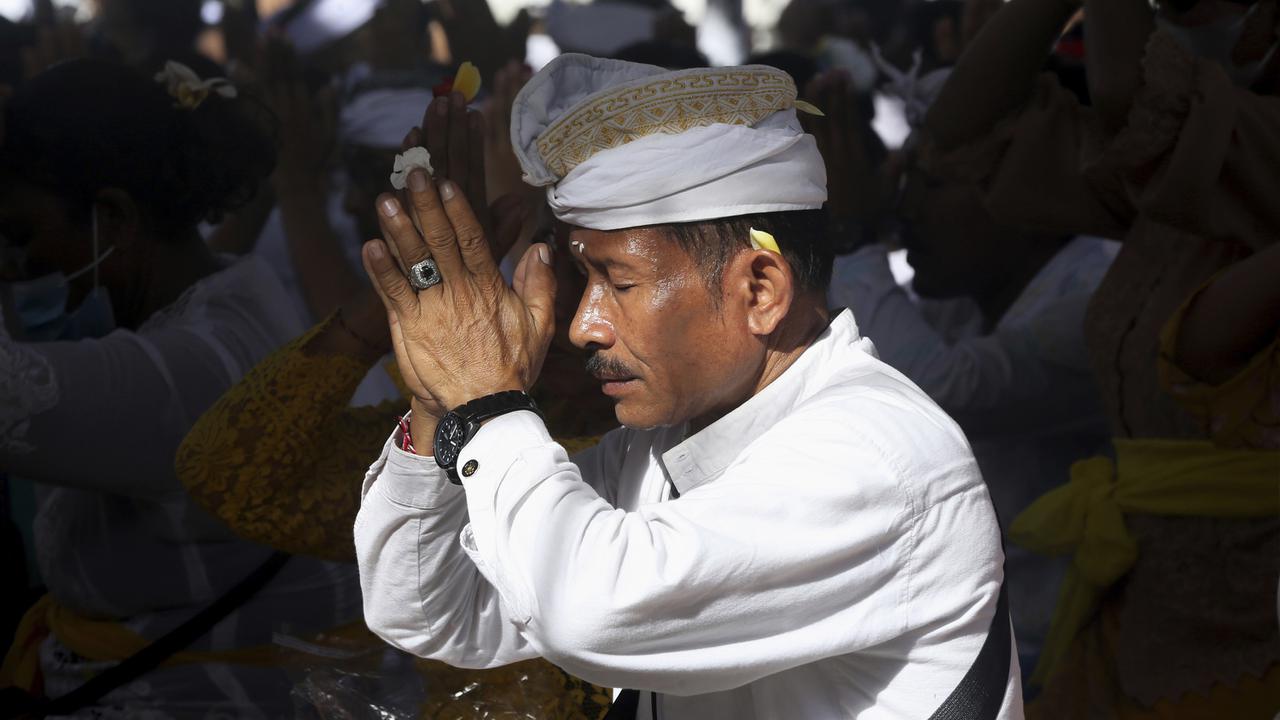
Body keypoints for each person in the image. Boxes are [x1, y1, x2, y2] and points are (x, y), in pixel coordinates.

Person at [353, 53, 1022, 719]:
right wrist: (444, 392)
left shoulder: (876, 454)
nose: (584, 325)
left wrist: (487, 403)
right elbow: (429, 608)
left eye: (618, 283)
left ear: (760, 290)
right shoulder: (666, 448)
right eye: (584, 281)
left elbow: (585, 612)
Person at [921, 0, 1280, 715]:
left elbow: (1141, 113)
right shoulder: (1188, 175)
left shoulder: (1233, 149)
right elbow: (967, 137)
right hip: (1136, 624)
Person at [0, 59, 364, 717]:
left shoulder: (192, 370)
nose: (13, 266)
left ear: (110, 217)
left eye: (22, 235)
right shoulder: (228, 303)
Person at [810, 70, 1117, 680]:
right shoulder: (972, 292)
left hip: (1078, 647)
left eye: (931, 186)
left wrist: (852, 231)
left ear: (1026, 198)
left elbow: (936, 390)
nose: (906, 210)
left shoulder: (1096, 294)